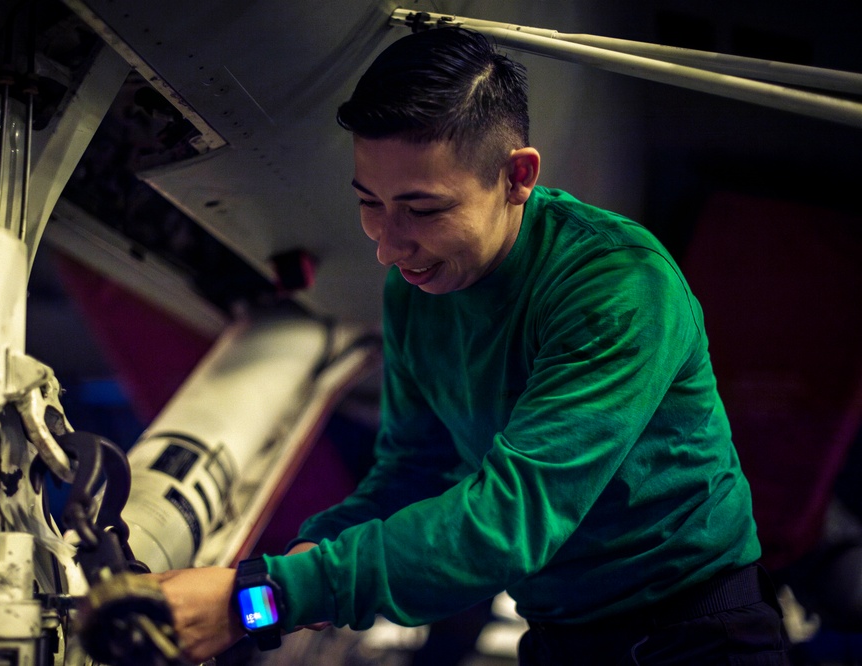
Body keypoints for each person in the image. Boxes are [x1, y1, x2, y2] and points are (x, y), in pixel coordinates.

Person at [151, 26, 790, 665]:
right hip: (559, 635)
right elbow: (414, 472)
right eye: (370, 202)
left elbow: (511, 520)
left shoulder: (618, 285)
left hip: (696, 632)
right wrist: (287, 570)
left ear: (517, 176)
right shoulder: (416, 289)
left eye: (422, 209)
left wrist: (262, 598)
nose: (387, 245)